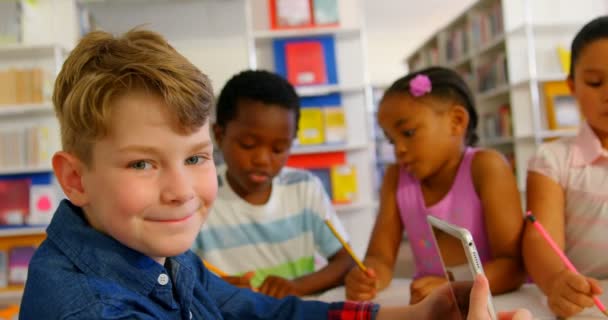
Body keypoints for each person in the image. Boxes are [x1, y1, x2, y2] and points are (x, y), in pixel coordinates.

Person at [19, 27, 533, 320]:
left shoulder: (156, 253)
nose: (181, 192)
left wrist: (411, 318)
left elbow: (259, 314)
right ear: (76, 178)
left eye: (196, 158)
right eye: (142, 163)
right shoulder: (86, 309)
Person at [345, 67, 526, 304]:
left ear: (456, 121)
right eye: (391, 140)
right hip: (432, 306)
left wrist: (455, 288)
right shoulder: (395, 177)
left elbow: (513, 266)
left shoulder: (486, 167)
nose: (398, 149)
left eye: (408, 133)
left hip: (496, 303)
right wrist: (368, 277)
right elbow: (380, 257)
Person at [191, 69, 354, 298]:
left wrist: (297, 287)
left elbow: (346, 261)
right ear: (219, 135)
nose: (263, 160)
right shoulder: (198, 196)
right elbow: (173, 275)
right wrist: (220, 291)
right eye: (248, 144)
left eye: (278, 149)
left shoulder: (304, 188)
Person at [523, 15, 608, 318]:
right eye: (596, 82)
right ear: (572, 86)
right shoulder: (552, 160)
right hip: (586, 304)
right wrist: (557, 281)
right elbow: (539, 239)